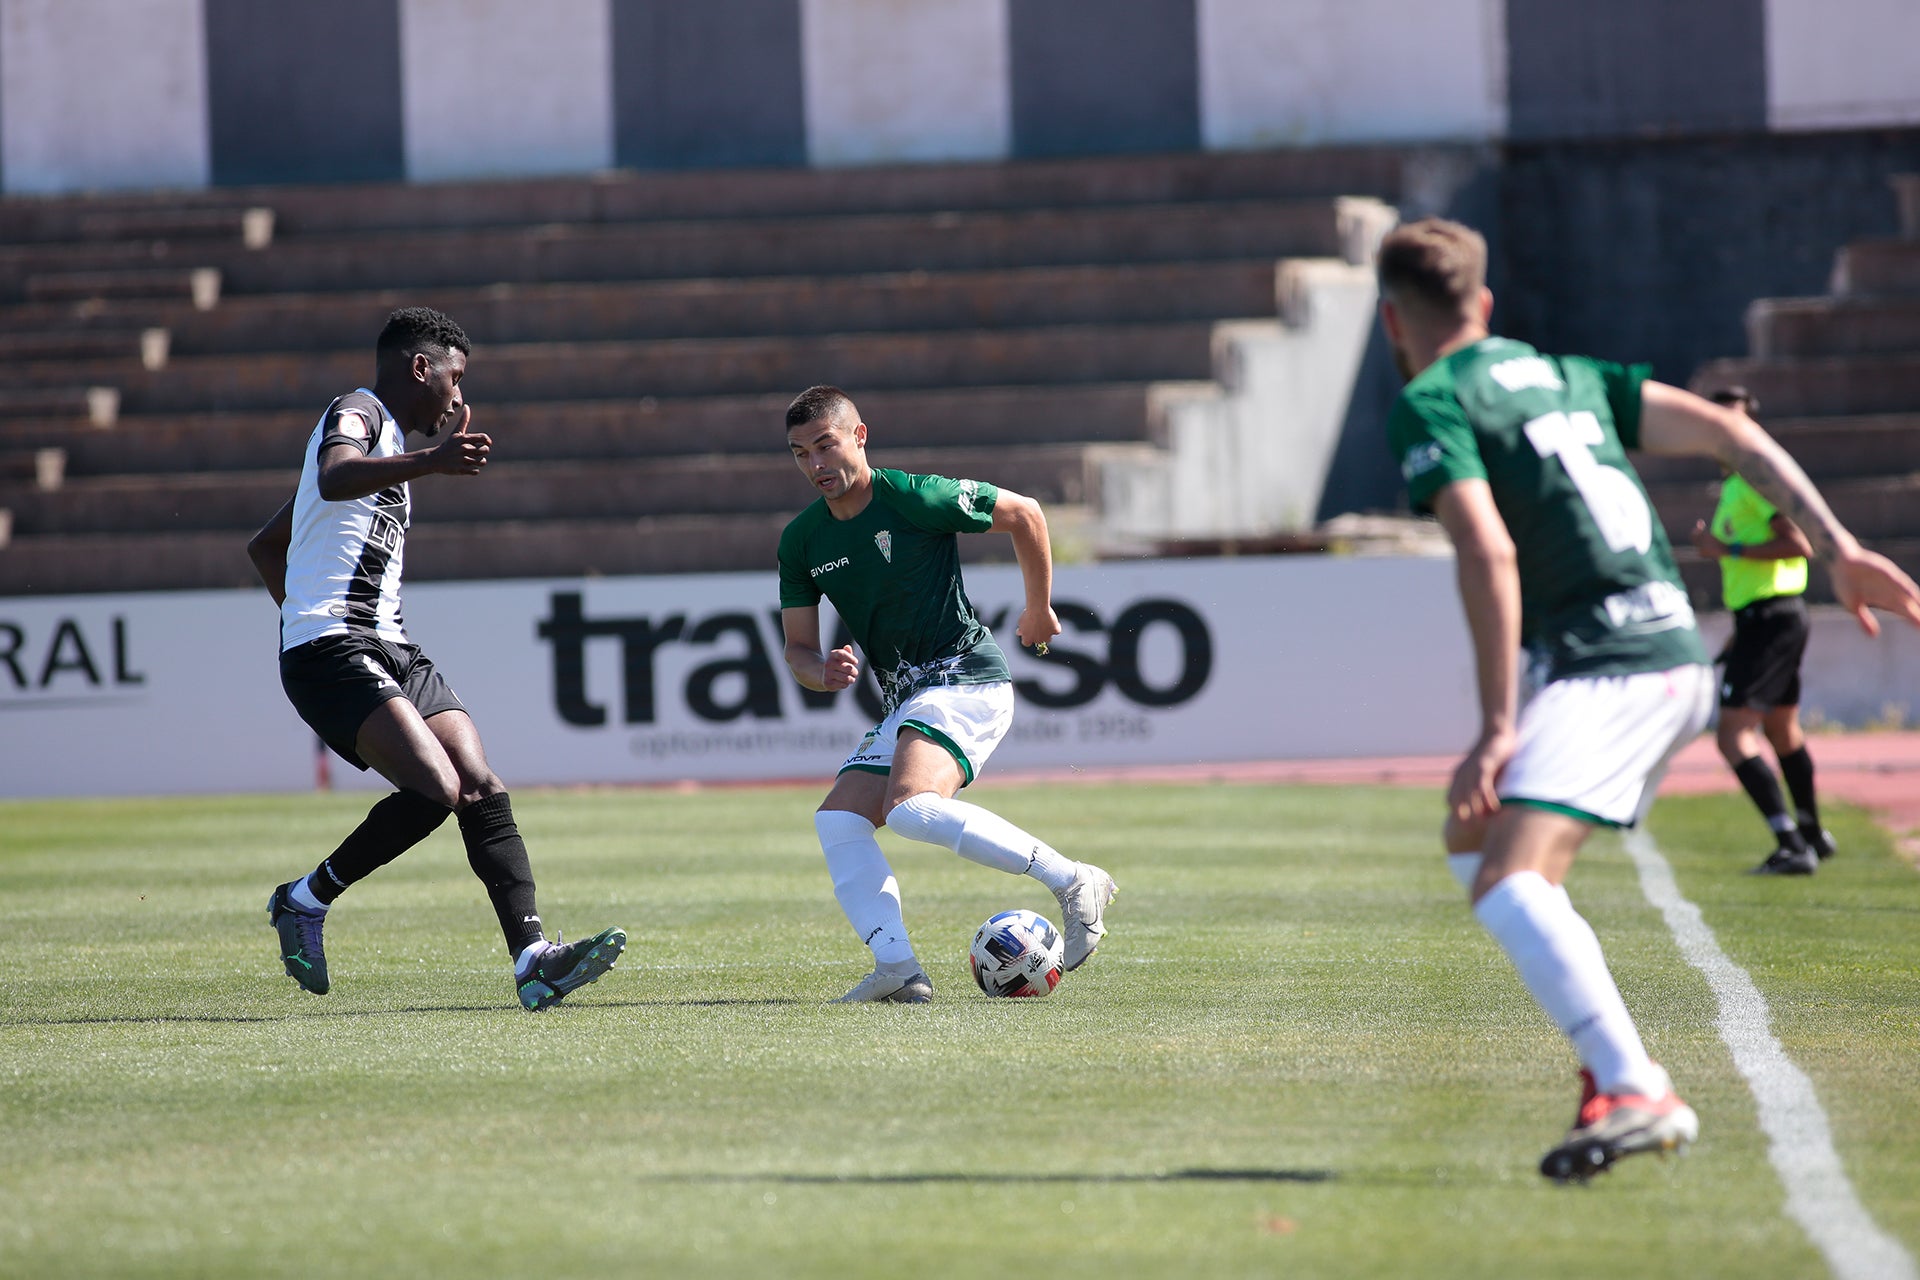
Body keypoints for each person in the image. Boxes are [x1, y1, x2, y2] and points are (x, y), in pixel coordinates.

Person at [1377, 219, 1920, 1181]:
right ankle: (1614, 1075)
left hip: (1612, 664)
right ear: (1486, 304)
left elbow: (1487, 551)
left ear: (1393, 323)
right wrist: (1839, 550)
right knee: (1476, 843)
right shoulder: (1570, 374)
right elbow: (1729, 432)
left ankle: (1634, 1087)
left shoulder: (1432, 400)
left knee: (1510, 878)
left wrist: (1497, 726)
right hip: (1662, 645)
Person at [246, 307, 626, 1011]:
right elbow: (332, 477)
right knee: (433, 787)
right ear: (421, 367)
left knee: (479, 782)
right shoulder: (357, 412)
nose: (458, 396)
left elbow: (268, 544)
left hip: (389, 644)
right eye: (455, 378)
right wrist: (310, 626)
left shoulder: (393, 451)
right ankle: (304, 900)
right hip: (333, 646)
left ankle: (534, 960)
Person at [776, 385, 1116, 1002]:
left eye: (826, 445)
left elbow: (1027, 513)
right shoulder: (802, 540)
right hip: (910, 699)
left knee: (910, 808)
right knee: (839, 821)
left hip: (966, 677)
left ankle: (1073, 880)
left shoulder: (912, 496)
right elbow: (798, 648)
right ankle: (898, 970)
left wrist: (1038, 607)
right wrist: (817, 671)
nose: (816, 465)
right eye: (801, 453)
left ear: (860, 436)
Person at [1689, 387, 1833, 875]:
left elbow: (1798, 544)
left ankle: (1790, 843)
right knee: (1780, 728)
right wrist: (1738, 633)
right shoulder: (1738, 486)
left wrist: (1720, 551)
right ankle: (1812, 831)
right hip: (1770, 617)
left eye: (1738, 420)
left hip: (1773, 618)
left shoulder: (1753, 481)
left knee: (1732, 734)